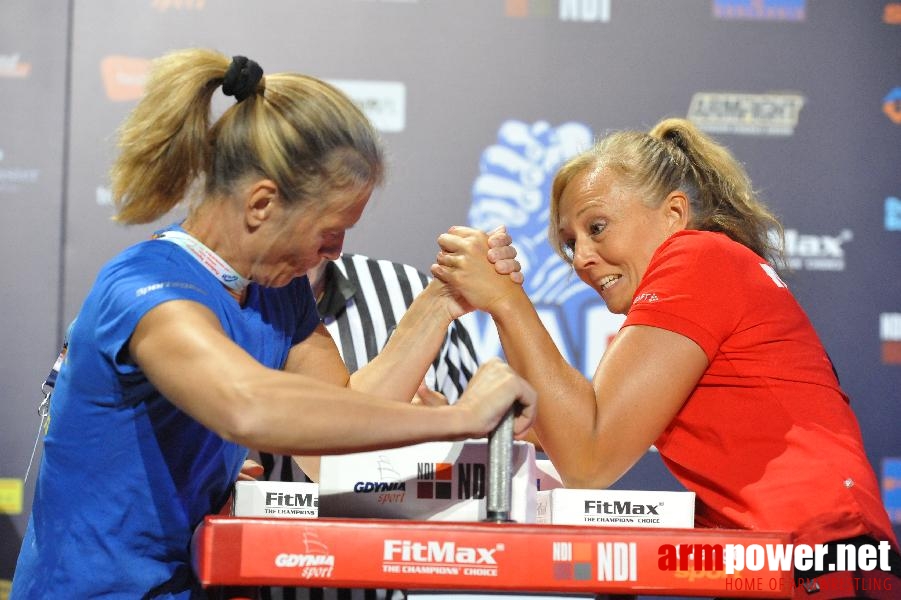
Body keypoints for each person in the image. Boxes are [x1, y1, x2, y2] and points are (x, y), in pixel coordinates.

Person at [11, 48, 535, 599]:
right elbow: (249, 406)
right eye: (331, 229)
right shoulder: (147, 291)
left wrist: (440, 301)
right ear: (262, 203)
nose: (336, 251)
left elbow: (335, 424)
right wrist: (460, 419)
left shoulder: (275, 292)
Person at [433, 117, 900, 598]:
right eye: (570, 243)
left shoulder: (697, 259)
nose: (581, 258)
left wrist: (506, 301)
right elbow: (572, 431)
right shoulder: (693, 286)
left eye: (597, 227)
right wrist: (454, 425)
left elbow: (588, 458)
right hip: (788, 558)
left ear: (674, 213)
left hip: (815, 552)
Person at [256, 253, 481, 600]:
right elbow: (328, 447)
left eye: (346, 220)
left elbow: (484, 460)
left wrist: (445, 431)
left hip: (398, 583)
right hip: (256, 581)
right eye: (329, 217)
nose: (335, 245)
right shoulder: (218, 293)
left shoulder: (407, 288)